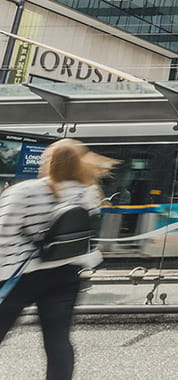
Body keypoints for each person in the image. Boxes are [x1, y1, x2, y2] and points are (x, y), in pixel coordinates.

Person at [0, 139, 113, 380]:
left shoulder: (24, 191)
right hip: (65, 275)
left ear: (49, 162)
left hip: (18, 276)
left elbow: (3, 233)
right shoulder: (88, 192)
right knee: (58, 340)